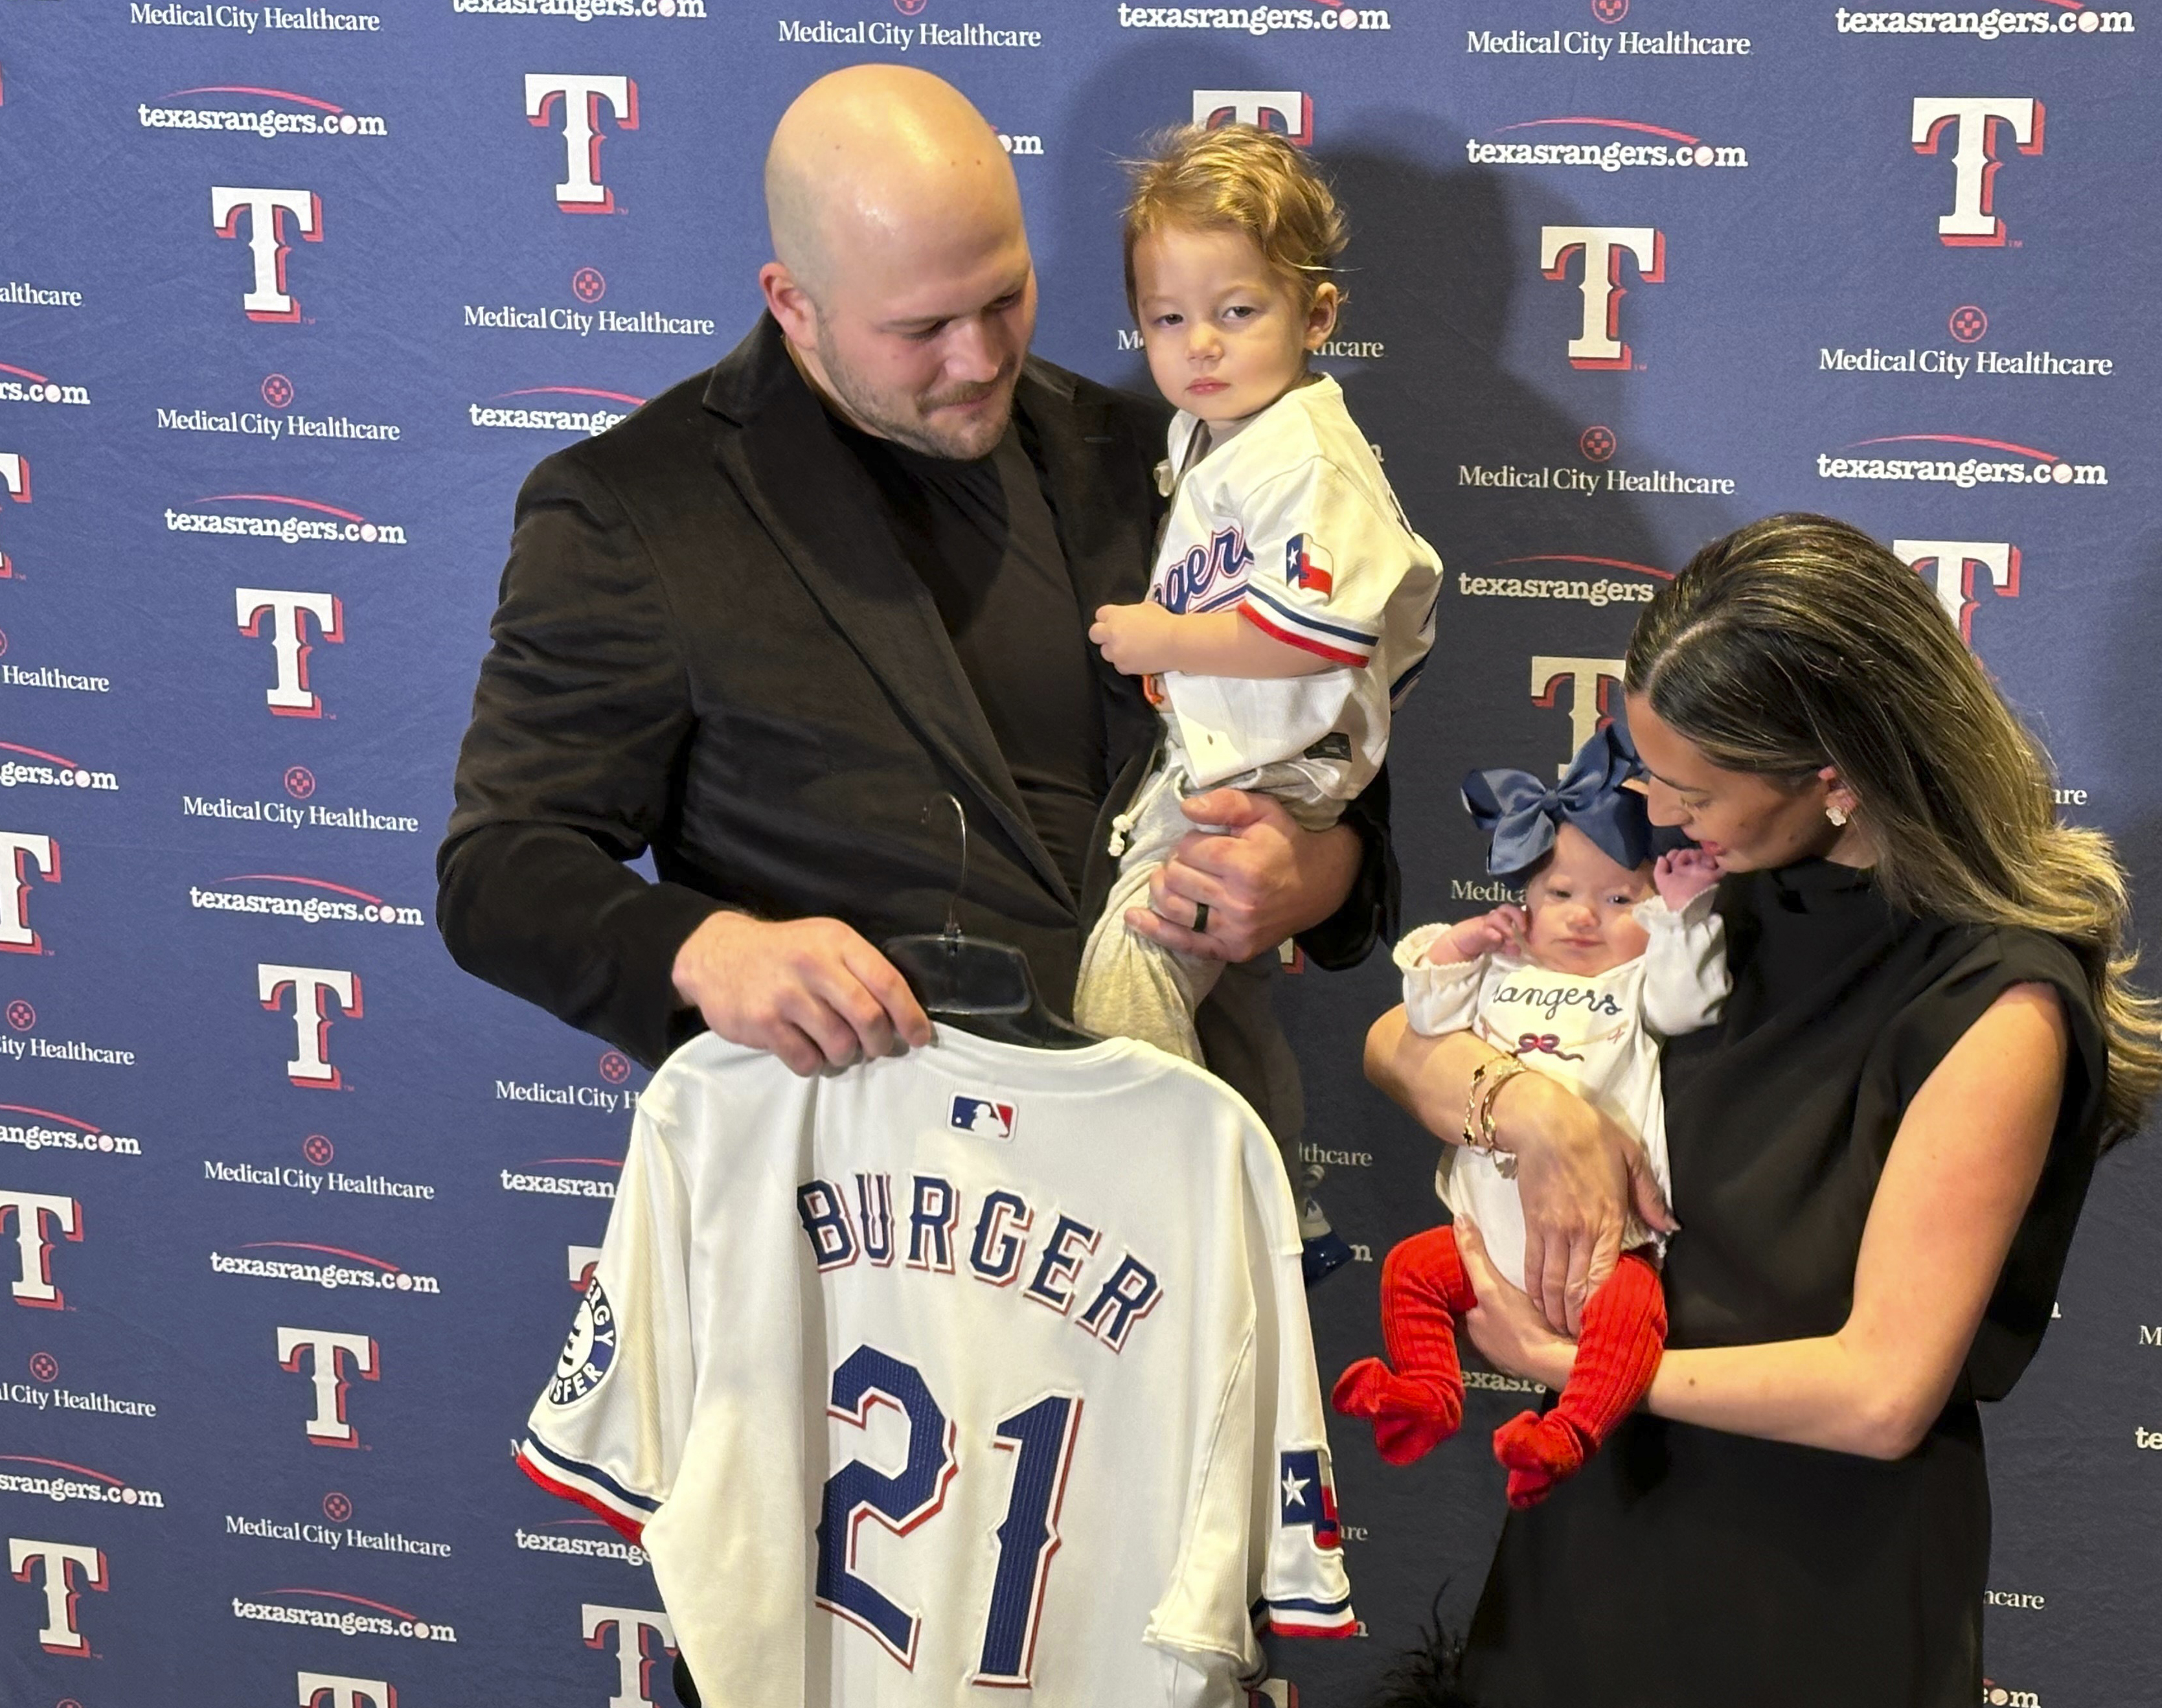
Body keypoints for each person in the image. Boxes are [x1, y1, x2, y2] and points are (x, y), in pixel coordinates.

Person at [436, 66, 1393, 1158]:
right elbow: (500, 869)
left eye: (1004, 299)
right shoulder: (635, 511)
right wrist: (709, 950)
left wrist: (1314, 874)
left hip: (1168, 1175)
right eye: (922, 327)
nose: (979, 359)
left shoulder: (1155, 454)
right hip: (856, 1204)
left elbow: (1330, 756)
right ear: (794, 302)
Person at [1362, 514, 2162, 1707]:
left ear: (1833, 777)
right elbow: (1399, 1044)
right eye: (1642, 768)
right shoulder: (1707, 901)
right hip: (1586, 1555)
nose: (1652, 811)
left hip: (1812, 1600)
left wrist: (1568, 1363)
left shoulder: (1997, 1006)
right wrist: (1533, 1108)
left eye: (1688, 788)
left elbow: (1881, 1393)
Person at [1079, 123, 1439, 1064]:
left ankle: (1164, 1183)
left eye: (1236, 312)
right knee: (1148, 970)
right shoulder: (1213, 427)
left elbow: (1310, 639)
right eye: (1166, 319)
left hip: (1277, 764)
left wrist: (1161, 638)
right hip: (1231, 745)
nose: (1198, 344)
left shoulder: (1304, 454)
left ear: (1316, 315)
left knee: (1129, 969)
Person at [1332, 725, 1727, 1509]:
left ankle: (1569, 1430)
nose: (1586, 917)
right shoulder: (1500, 970)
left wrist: (1683, 917)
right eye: (1561, 895)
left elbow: (1691, 1001)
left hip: (1606, 1249)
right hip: (1486, 1233)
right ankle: (1427, 1390)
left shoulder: (1637, 984)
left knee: (1632, 1309)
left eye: (1620, 899)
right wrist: (1459, 947)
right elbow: (1421, 1019)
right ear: (1523, 898)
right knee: (1412, 1269)